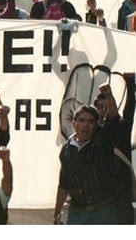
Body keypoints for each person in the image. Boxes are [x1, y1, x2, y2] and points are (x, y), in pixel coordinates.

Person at [53, 89, 122, 225]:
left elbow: (114, 119)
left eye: (90, 122)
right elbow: (64, 183)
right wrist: (57, 212)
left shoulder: (102, 140)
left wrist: (108, 95)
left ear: (96, 125)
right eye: (82, 120)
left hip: (104, 210)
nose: (86, 125)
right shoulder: (66, 150)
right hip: (77, 212)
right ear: (74, 123)